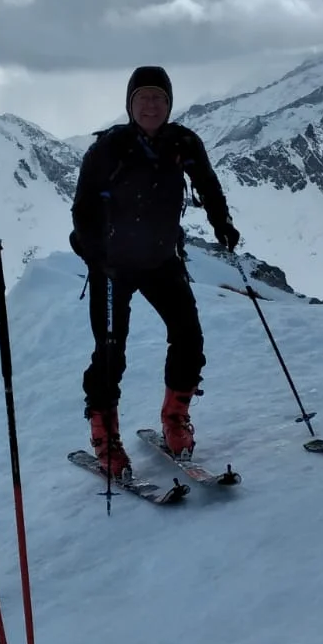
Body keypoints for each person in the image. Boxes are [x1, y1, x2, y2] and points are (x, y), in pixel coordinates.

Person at [69, 66, 240, 478]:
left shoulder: (183, 142)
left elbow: (207, 183)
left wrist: (222, 223)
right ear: (130, 104)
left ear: (169, 103)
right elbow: (82, 209)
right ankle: (104, 434)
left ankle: (174, 417)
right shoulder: (108, 148)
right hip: (113, 265)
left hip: (161, 258)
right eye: (143, 97)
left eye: (159, 98)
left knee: (189, 336)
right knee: (110, 351)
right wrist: (96, 254)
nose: (151, 105)